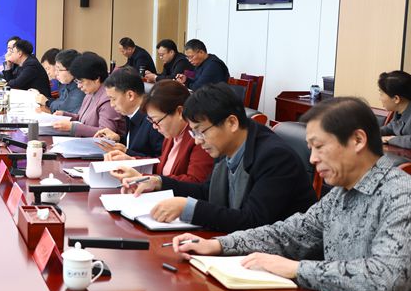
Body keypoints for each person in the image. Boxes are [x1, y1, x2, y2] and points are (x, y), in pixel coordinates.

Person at [172, 97, 411, 291]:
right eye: (311, 149)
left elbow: (385, 280)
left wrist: (296, 269)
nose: (312, 159)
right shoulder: (341, 193)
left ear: (357, 140)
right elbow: (291, 233)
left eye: (319, 147)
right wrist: (219, 245)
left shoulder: (402, 195)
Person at [118, 83, 315, 232]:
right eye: (193, 133)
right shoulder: (227, 145)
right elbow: (207, 191)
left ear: (231, 123)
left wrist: (189, 208)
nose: (197, 141)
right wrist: (158, 182)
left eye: (201, 132)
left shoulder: (274, 157)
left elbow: (253, 221)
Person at [107, 79, 214, 183]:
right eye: (152, 121)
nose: (154, 126)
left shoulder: (198, 138)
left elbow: (195, 182)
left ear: (179, 112)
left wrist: (148, 179)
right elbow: (162, 166)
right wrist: (132, 160)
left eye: (157, 121)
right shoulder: (172, 134)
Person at [95, 67, 164, 158]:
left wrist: (126, 152)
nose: (111, 105)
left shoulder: (154, 120)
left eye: (114, 99)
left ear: (130, 95)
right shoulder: (130, 113)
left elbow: (161, 161)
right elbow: (135, 146)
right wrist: (118, 139)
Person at [53, 53, 125, 137]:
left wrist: (73, 127)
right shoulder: (91, 92)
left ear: (96, 79)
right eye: (77, 81)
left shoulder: (109, 98)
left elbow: (105, 133)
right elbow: (83, 119)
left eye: (81, 81)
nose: (79, 86)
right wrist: (65, 115)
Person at [44, 49, 84, 115]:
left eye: (59, 69)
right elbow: (59, 103)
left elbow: (63, 108)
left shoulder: (80, 87)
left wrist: (46, 102)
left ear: (71, 69)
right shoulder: (66, 83)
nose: (56, 73)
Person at [378, 70, 411, 149]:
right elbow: (390, 128)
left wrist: (391, 139)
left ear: (396, 99)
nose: (380, 99)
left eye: (381, 94)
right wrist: (369, 133)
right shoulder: (399, 112)